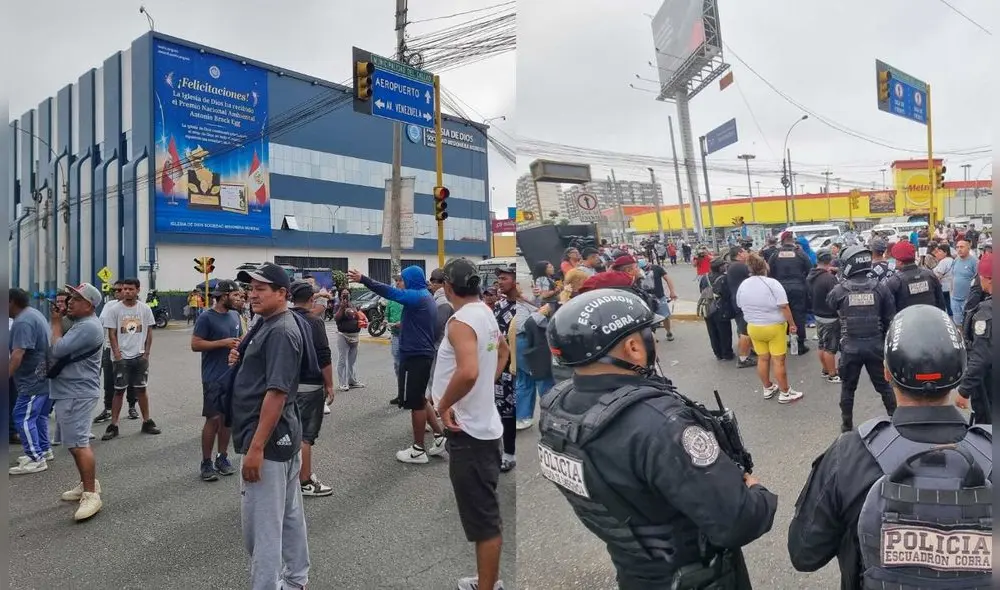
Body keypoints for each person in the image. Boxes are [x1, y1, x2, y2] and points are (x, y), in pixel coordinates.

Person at [539, 288, 778, 589]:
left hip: (634, 568)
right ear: (633, 347)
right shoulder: (659, 423)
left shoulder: (556, 408)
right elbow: (739, 520)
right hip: (699, 576)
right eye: (648, 334)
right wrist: (756, 492)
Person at [788, 304, 992, 589]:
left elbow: (804, 553)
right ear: (960, 372)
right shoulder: (991, 452)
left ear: (886, 372)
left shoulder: (849, 454)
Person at [229, 263, 310, 590]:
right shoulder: (268, 322)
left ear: (282, 294)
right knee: (289, 517)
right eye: (251, 288)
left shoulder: (281, 330)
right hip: (284, 436)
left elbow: (276, 393)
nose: (252, 294)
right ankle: (296, 579)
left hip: (271, 442)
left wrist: (256, 448)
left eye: (261, 289)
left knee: (261, 531)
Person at [431, 258, 508, 590]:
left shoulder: (460, 321)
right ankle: (485, 579)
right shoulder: (486, 313)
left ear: (448, 287)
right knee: (483, 514)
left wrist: (444, 404)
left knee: (484, 521)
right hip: (483, 426)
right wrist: (484, 386)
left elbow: (468, 371)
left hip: (470, 433)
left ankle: (487, 586)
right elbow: (502, 352)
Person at [348, 266, 446, 463]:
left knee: (416, 403)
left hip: (416, 355)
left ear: (412, 279)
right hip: (421, 353)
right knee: (420, 398)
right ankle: (439, 436)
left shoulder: (417, 296)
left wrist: (364, 279)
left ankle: (418, 450)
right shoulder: (425, 297)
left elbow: (389, 292)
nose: (401, 282)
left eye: (404, 278)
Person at [50, 283, 106, 521]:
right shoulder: (81, 324)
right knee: (74, 443)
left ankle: (92, 493)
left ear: (89, 305)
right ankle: (87, 483)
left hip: (77, 392)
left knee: (79, 444)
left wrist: (55, 323)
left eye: (76, 298)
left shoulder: (88, 327)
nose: (70, 301)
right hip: (70, 390)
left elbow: (58, 349)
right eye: (70, 296)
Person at [826, 245, 897, 432]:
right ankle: (896, 419)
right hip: (875, 345)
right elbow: (890, 317)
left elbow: (830, 305)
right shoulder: (880, 288)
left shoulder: (840, 290)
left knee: (848, 389)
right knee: (884, 387)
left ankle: (846, 425)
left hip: (851, 347)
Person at [191, 280, 243, 481]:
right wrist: (222, 343)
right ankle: (206, 462)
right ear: (223, 296)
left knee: (227, 420)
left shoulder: (235, 315)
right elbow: (195, 344)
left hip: (232, 375)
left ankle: (222, 457)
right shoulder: (206, 318)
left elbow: (240, 339)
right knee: (213, 419)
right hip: (213, 377)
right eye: (234, 294)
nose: (238, 298)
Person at [289, 280, 336, 496]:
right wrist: (330, 384)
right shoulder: (314, 322)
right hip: (310, 385)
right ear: (311, 299)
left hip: (288, 385)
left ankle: (290, 477)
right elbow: (324, 356)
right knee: (306, 435)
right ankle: (305, 480)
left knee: (290, 431)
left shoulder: (285, 319)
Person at [737, 252, 804, 403]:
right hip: (774, 327)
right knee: (778, 360)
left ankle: (767, 387)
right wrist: (792, 325)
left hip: (753, 327)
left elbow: (740, 304)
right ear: (764, 266)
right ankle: (785, 392)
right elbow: (784, 307)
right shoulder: (772, 283)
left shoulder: (744, 284)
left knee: (763, 358)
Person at [100, 278, 161, 440]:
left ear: (138, 290)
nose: (127, 291)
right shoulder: (114, 309)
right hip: (121, 358)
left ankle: (147, 421)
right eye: (124, 289)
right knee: (118, 391)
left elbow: (149, 332)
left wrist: (146, 354)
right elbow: (112, 334)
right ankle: (114, 425)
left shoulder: (145, 309)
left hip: (139, 356)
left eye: (130, 289)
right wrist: (117, 355)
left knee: (141, 389)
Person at [9, 288, 54, 474]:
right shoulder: (34, 313)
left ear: (10, 302)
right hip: (43, 377)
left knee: (22, 417)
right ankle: (43, 449)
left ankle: (36, 459)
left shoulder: (23, 322)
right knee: (38, 416)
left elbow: (18, 354)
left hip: (32, 380)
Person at [93, 280, 137, 424]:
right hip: (109, 348)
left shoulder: (137, 307)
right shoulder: (110, 306)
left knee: (131, 381)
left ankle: (132, 407)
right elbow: (103, 325)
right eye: (117, 291)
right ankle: (108, 409)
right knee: (109, 381)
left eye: (122, 289)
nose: (119, 293)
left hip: (130, 350)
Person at [956, 252, 992, 424]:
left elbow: (981, 357)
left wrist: (964, 390)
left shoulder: (987, 313)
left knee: (986, 425)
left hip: (990, 384)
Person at [767, 231, 812, 354]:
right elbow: (810, 270)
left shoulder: (775, 254)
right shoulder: (800, 253)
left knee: (785, 314)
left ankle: (790, 339)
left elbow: (769, 271)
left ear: (782, 241)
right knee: (799, 315)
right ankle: (800, 344)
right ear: (792, 240)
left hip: (780, 288)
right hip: (798, 288)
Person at [806, 250, 841, 383]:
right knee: (830, 348)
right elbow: (837, 297)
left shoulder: (811, 275)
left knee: (822, 344)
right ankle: (833, 374)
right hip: (830, 316)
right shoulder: (829, 279)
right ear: (830, 261)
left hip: (818, 313)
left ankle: (825, 369)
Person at [881, 241, 946, 312]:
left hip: (906, 322)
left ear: (899, 261)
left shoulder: (894, 281)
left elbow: (888, 311)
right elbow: (941, 303)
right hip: (931, 320)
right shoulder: (930, 275)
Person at [726, 246, 756, 368]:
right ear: (739, 254)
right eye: (744, 251)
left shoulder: (733, 266)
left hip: (738, 300)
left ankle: (751, 349)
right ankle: (743, 359)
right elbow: (755, 275)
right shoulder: (740, 266)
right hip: (743, 302)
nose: (746, 253)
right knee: (745, 331)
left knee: (744, 328)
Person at [701, 257, 735, 360]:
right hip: (721, 308)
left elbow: (701, 290)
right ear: (720, 267)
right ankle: (727, 353)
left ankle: (717, 353)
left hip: (708, 307)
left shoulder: (704, 277)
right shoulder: (724, 278)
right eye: (723, 265)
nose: (725, 266)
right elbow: (728, 294)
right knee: (724, 332)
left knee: (712, 332)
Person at [333, 287, 364, 392]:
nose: (346, 295)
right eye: (343, 294)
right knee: (342, 360)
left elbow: (358, 316)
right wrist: (342, 307)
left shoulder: (353, 305)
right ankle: (343, 383)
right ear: (340, 295)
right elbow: (336, 318)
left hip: (355, 335)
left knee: (352, 360)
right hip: (343, 335)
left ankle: (352, 381)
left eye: (347, 293)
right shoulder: (337, 305)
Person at [950, 239, 979, 324]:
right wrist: (951, 293)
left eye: (962, 247)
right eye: (957, 247)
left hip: (967, 300)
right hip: (955, 299)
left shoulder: (974, 262)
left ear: (968, 248)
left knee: (968, 324)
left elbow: (978, 282)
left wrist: (971, 298)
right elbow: (953, 277)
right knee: (957, 323)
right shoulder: (956, 260)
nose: (959, 249)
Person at [385, 274, 405, 376]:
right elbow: (387, 313)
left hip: (408, 335)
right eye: (396, 280)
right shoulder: (392, 299)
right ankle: (400, 384)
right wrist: (385, 320)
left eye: (400, 280)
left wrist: (403, 323)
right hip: (395, 334)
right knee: (397, 360)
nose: (397, 282)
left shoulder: (409, 297)